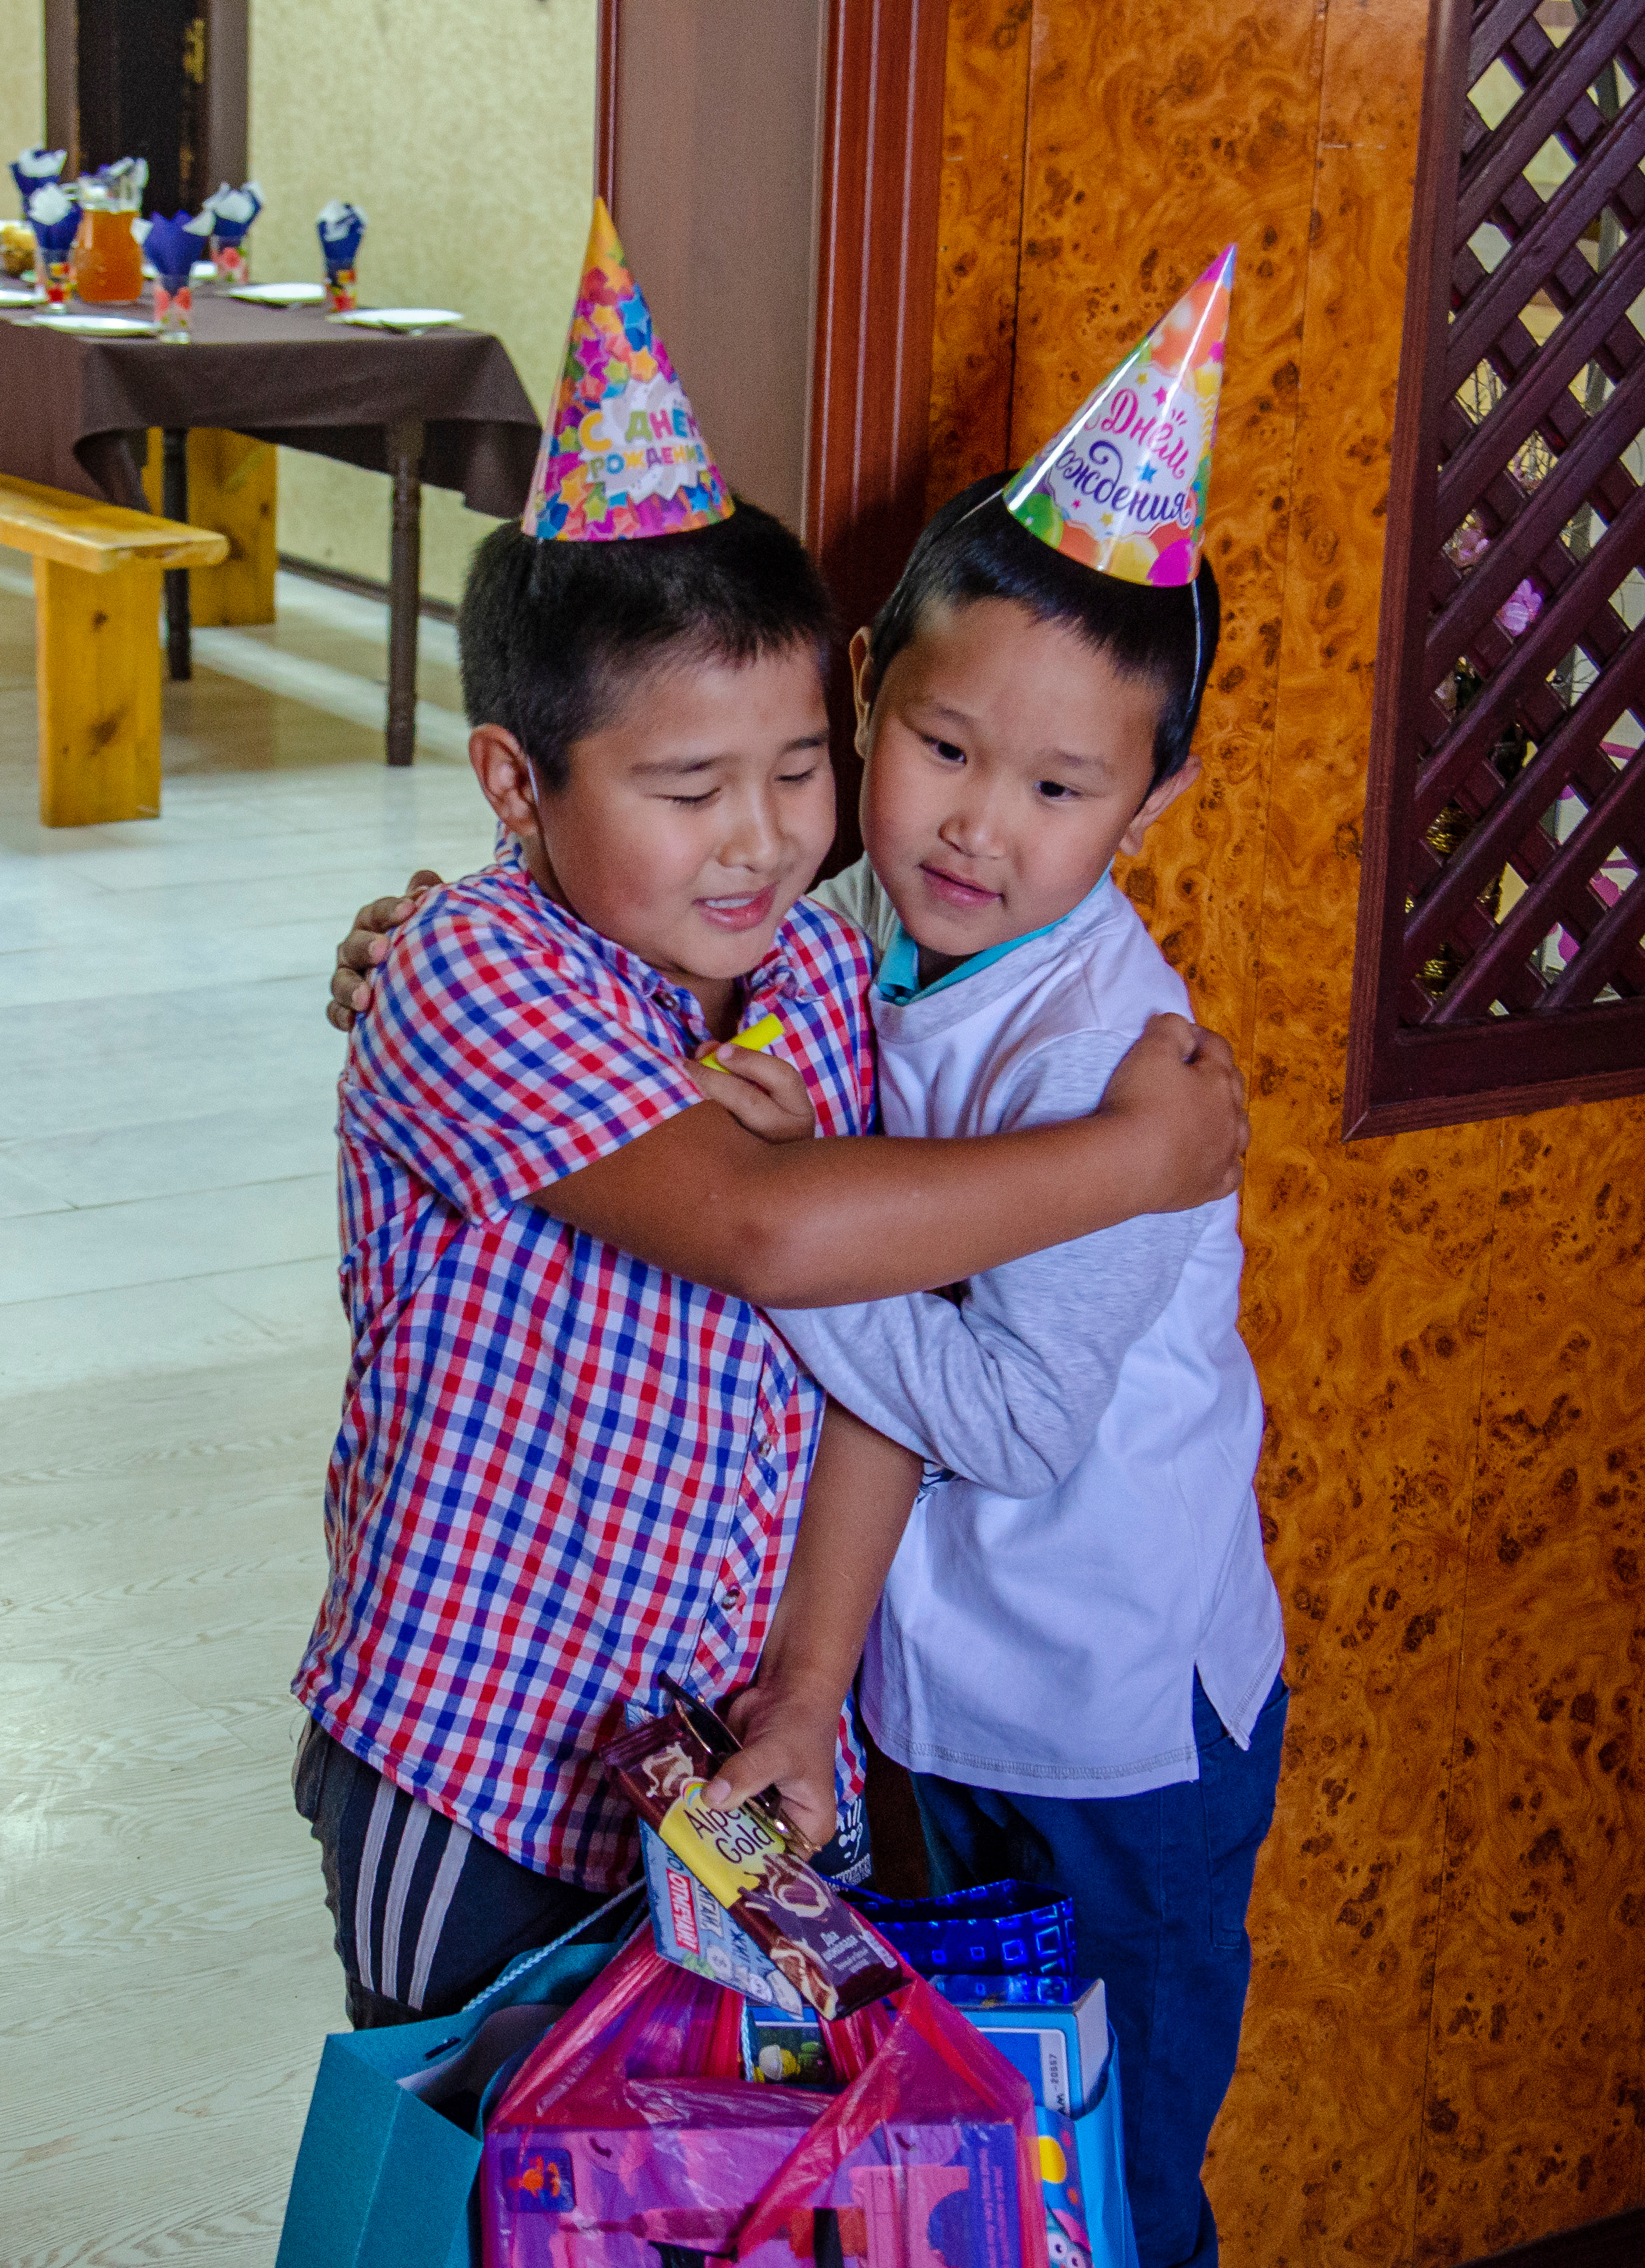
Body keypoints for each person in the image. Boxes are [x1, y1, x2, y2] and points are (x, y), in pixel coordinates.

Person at [299, 202, 1249, 2034]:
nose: (760, 836)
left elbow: (870, 1376)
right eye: (686, 787)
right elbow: (771, 1228)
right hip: (481, 1747)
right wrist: (1144, 1161)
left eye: (802, 769)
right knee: (469, 2158)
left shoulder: (821, 971)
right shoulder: (482, 978)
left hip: (733, 1765)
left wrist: (810, 1684)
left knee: (683, 2182)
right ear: (517, 778)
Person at [704, 261, 1280, 2268]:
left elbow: (1024, 1422)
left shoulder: (1128, 1067)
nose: (980, 827)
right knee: (943, 2152)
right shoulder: (832, 920)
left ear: (1156, 800)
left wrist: (773, 1230)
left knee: (1110, 2170)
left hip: (1118, 1716)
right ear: (868, 687)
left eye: (1062, 791)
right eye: (946, 749)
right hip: (918, 1704)